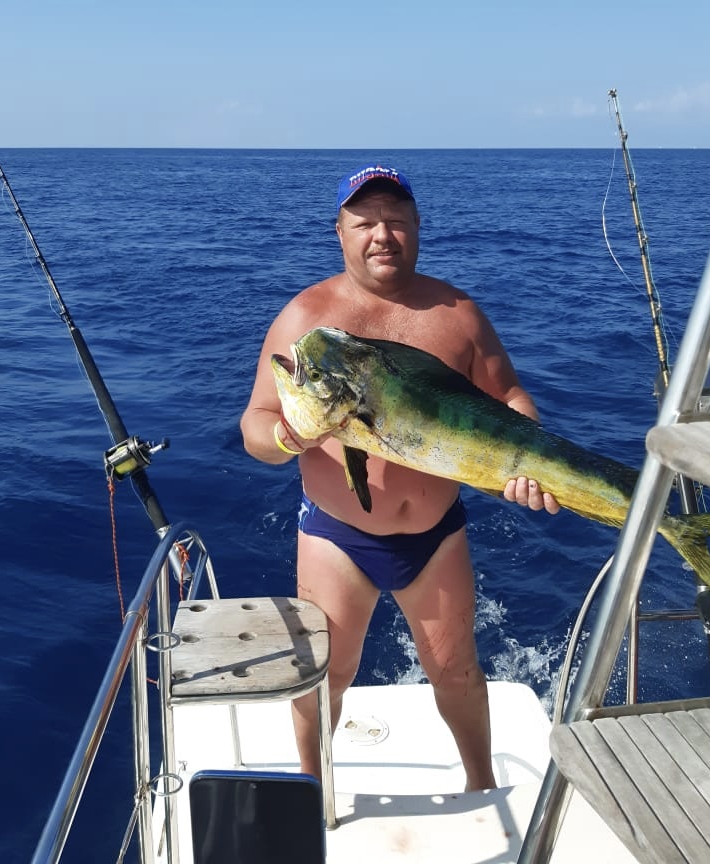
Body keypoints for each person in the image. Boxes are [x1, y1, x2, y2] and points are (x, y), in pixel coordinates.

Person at [240, 164, 559, 792]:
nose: (382, 234)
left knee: (457, 673)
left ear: (417, 227)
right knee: (325, 676)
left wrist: (525, 457)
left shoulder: (458, 314)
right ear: (339, 233)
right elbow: (256, 422)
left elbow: (510, 398)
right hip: (337, 537)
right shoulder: (306, 316)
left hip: (436, 535)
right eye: (365, 222)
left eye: (396, 220)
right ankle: (312, 789)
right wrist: (287, 438)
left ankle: (480, 784)